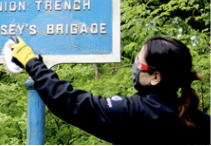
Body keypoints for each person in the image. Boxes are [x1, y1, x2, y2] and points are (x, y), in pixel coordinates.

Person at [11, 36, 210, 144]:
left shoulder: (135, 112)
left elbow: (70, 102)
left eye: (139, 61)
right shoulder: (199, 120)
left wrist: (32, 63)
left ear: (156, 77)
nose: (135, 65)